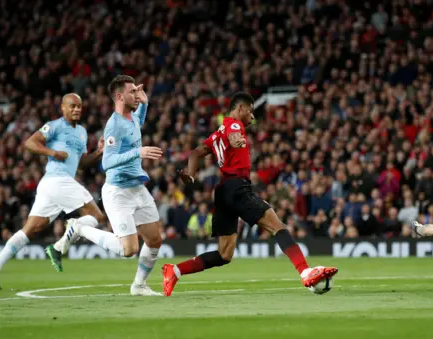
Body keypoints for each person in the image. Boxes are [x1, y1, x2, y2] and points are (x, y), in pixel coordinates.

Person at [161, 92, 338, 296]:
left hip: (222, 192)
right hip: (237, 187)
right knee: (277, 226)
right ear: (241, 109)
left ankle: (175, 271)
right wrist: (237, 138)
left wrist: (191, 175)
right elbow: (234, 133)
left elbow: (196, 153)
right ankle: (306, 272)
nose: (252, 116)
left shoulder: (217, 133)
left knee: (224, 254)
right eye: (250, 111)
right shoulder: (234, 125)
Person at [0, 93, 105, 290]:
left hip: (54, 185)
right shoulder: (54, 126)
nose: (76, 109)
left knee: (30, 230)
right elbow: (30, 143)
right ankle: (58, 248)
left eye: (79, 106)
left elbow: (81, 163)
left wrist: (98, 153)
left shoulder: (82, 132)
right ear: (62, 108)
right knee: (96, 216)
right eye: (72, 106)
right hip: (57, 180)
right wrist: (52, 153)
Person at [64, 75, 164, 296]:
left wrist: (144, 103)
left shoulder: (131, 118)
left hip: (137, 188)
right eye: (132, 92)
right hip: (118, 191)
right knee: (129, 250)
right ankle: (80, 228)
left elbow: (138, 123)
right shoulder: (114, 125)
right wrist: (138, 152)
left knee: (155, 239)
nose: (136, 95)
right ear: (119, 96)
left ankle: (139, 286)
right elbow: (107, 161)